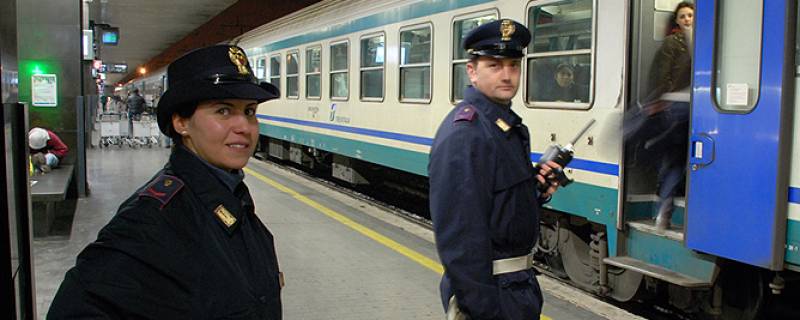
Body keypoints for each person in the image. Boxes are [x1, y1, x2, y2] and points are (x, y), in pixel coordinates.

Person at [48, 45, 283, 319]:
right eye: (223, 111)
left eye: (250, 111)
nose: (244, 126)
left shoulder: (232, 197)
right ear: (181, 122)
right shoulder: (152, 220)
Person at [428, 19, 562, 320]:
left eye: (514, 65)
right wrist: (483, 310)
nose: (507, 75)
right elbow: (460, 238)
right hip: (493, 294)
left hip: (516, 288)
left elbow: (498, 206)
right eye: (494, 65)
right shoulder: (467, 133)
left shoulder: (502, 126)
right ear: (472, 71)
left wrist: (534, 191)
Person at [646, 2, 694, 231]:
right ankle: (664, 208)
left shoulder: (707, 42)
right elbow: (663, 73)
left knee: (682, 159)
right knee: (675, 159)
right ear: (676, 20)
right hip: (676, 105)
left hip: (698, 107)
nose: (687, 19)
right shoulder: (673, 43)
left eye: (690, 15)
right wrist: (660, 99)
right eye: (683, 16)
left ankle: (667, 206)